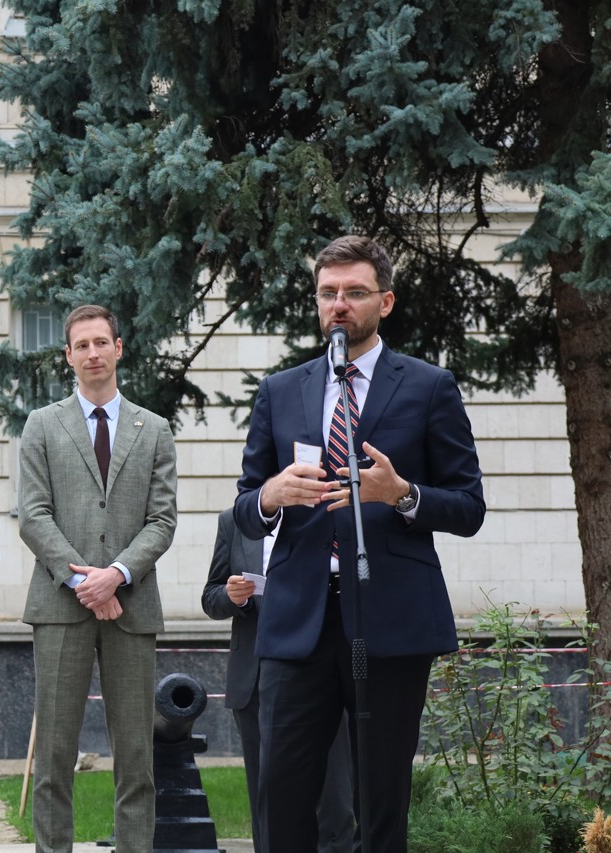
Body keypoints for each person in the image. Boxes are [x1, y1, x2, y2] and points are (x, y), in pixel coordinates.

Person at [233, 235, 485, 853]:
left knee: (380, 800)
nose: (339, 304)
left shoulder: (429, 387)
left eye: (354, 292)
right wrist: (272, 496)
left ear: (386, 301)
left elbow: (469, 507)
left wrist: (401, 493)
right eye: (328, 293)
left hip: (390, 615)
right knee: (283, 795)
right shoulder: (281, 391)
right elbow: (244, 508)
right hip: (298, 621)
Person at [19, 305, 178, 853]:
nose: (91, 353)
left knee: (136, 759)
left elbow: (162, 520)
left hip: (131, 608)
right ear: (68, 355)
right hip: (60, 610)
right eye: (80, 345)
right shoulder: (42, 424)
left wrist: (116, 576)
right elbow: (33, 516)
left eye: (100, 343)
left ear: (118, 347)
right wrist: (83, 582)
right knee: (54, 759)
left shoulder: (153, 429)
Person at [200, 508, 354, 853]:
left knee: (333, 795)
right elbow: (211, 596)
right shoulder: (234, 520)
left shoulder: (330, 511)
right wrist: (231, 596)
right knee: (268, 798)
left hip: (320, 669)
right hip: (254, 676)